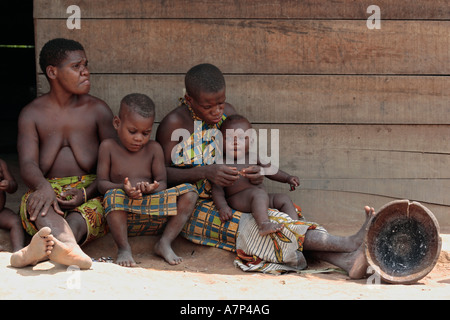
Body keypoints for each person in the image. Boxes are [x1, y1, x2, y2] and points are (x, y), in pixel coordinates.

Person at [156, 63, 375, 278]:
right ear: (189, 100)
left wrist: (257, 173)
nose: (216, 112)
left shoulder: (227, 114)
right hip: (195, 207)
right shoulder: (173, 125)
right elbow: (160, 174)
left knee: (279, 218)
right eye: (207, 107)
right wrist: (204, 172)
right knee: (250, 227)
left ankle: (346, 260)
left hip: (238, 195)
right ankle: (347, 244)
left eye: (220, 103)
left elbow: (247, 153)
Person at [10, 38, 116, 269]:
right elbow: (27, 163)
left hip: (90, 190)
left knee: (98, 209)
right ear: (52, 72)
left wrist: (87, 193)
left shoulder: (98, 110)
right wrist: (43, 187)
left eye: (85, 65)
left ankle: (41, 251)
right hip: (47, 187)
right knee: (37, 205)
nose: (85, 72)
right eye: (76, 66)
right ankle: (67, 248)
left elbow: (115, 163)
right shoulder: (32, 114)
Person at [97, 93, 198, 267]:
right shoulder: (108, 147)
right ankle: (123, 248)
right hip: (124, 213)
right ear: (117, 123)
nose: (139, 138)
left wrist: (151, 188)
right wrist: (123, 188)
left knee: (190, 192)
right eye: (132, 131)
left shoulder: (153, 149)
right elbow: (101, 184)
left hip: (153, 211)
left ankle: (165, 242)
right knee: (111, 196)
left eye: (146, 133)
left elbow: (163, 183)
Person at [212, 114, 300, 236]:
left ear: (251, 141)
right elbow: (217, 189)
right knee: (258, 194)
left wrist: (287, 178)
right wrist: (222, 207)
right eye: (229, 138)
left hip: (260, 198)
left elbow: (270, 169)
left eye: (242, 138)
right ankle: (263, 224)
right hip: (238, 199)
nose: (236, 143)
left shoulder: (253, 156)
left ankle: (295, 228)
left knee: (283, 199)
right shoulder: (222, 163)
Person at [0, 158, 25, 252]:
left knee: (15, 221)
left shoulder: (1, 163)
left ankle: (18, 250)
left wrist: (8, 185)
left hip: (1, 212)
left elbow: (14, 186)